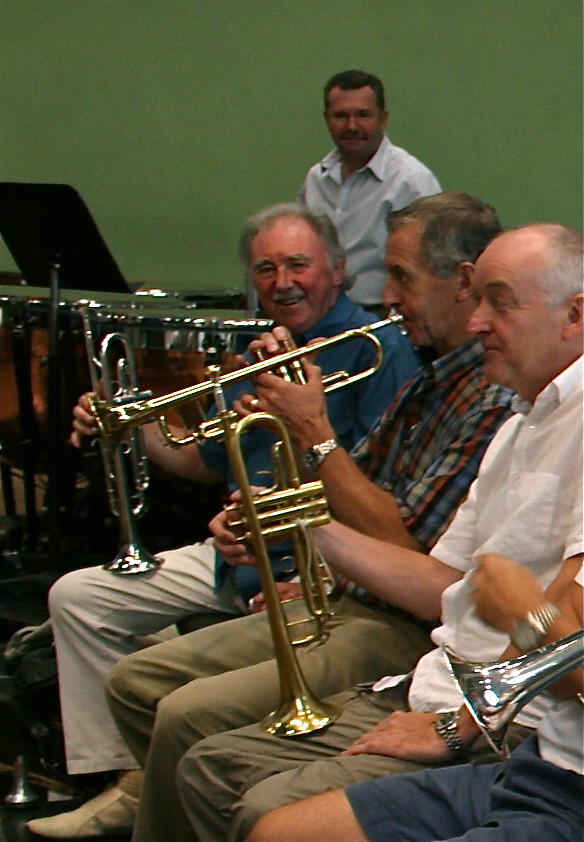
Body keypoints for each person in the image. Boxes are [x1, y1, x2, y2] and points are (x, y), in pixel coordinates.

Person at [93, 193, 516, 842]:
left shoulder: (491, 398)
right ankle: (159, 798)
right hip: (350, 593)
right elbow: (346, 498)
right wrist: (268, 515)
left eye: (400, 277)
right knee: (134, 683)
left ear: (461, 283)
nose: (388, 297)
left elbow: (410, 549)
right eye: (266, 269)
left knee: (188, 723)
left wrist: (313, 434)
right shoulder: (432, 378)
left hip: (404, 625)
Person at [171, 222, 583, 842]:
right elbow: (443, 581)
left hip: (516, 723)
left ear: (575, 315)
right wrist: (303, 524)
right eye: (478, 301)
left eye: (499, 303)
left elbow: (557, 634)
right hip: (464, 693)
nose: (476, 323)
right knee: (218, 771)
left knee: (252, 795)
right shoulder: (520, 421)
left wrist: (478, 697)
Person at [25, 202, 419, 839]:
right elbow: (201, 459)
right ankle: (126, 778)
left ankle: (156, 788)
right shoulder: (257, 345)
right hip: (234, 548)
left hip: (312, 558)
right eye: (266, 269)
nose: (282, 282)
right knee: (77, 597)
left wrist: (302, 433)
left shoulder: (377, 349)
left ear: (337, 270)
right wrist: (129, 421)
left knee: (182, 698)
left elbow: (383, 501)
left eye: (298, 265)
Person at [247, 554, 583, 842]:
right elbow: (568, 629)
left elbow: (545, 621)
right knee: (277, 832)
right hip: (542, 766)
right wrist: (535, 624)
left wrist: (528, 615)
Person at [299, 69, 441, 313]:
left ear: (383, 119)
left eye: (363, 115)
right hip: (321, 315)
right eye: (340, 116)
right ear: (326, 119)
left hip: (382, 316)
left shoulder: (410, 180)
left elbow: (429, 267)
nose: (351, 126)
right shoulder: (316, 179)